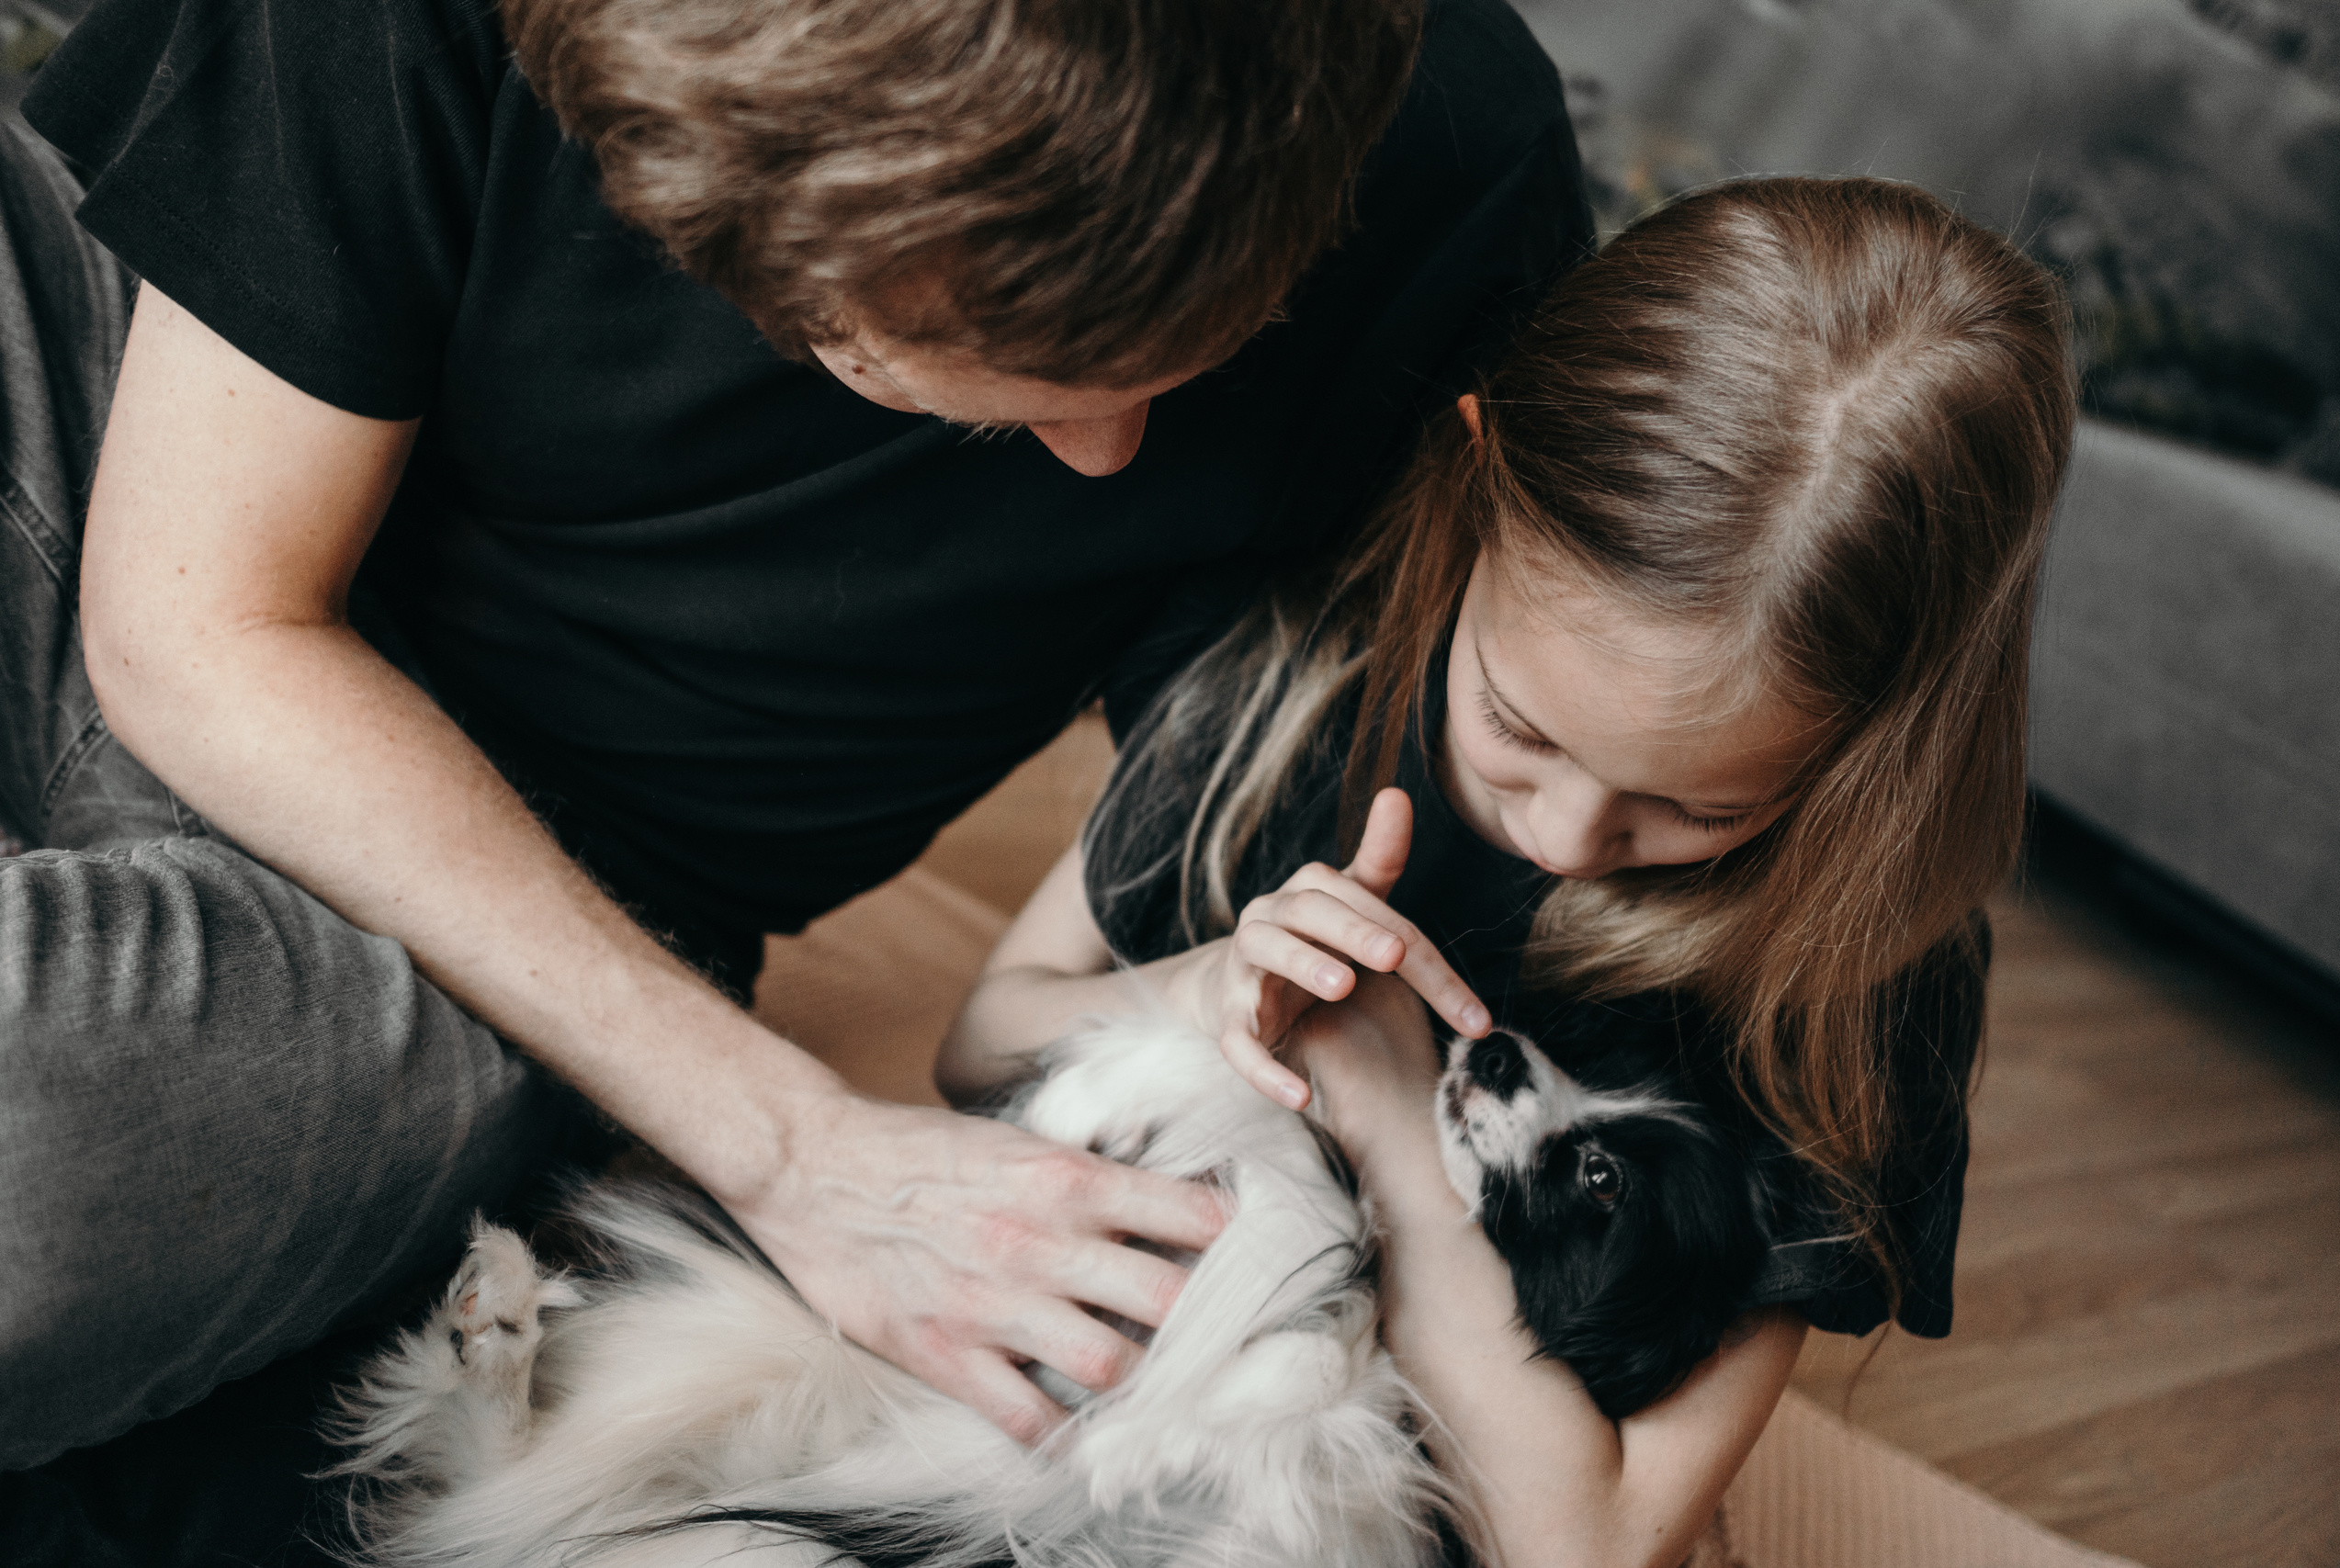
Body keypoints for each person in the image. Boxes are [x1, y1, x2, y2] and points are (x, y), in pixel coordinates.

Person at [0, 0, 1591, 1494]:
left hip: (551, 920)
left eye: (1201, 352)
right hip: (109, 406)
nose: (1110, 461)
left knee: (35, 1167)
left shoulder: (1448, 148)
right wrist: (796, 1150)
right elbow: (204, 626)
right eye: (992, 396)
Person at [939, 175, 2076, 1567]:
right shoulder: (1306, 679)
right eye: (1519, 730)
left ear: (1884, 749)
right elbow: (979, 1042)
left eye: (1693, 808)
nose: (1566, 839)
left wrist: (1385, 1107)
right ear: (1478, 484)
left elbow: (1592, 1547)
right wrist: (1209, 984)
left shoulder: (1857, 976)